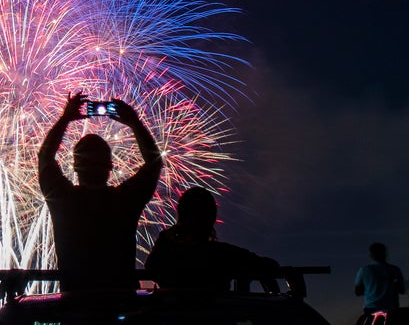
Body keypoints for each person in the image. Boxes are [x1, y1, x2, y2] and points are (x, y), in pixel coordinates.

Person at [37, 92, 162, 291]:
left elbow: (44, 156)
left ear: (75, 167)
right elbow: (155, 162)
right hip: (120, 305)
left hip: (74, 306)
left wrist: (65, 118)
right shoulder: (124, 201)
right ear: (110, 167)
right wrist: (134, 122)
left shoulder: (64, 201)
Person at [144, 186, 281, 291]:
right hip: (216, 323)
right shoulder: (224, 254)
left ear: (181, 215)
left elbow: (150, 270)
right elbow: (270, 265)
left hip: (172, 323)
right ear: (211, 218)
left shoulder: (165, 254)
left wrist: (167, 238)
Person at [354, 241, 405, 313]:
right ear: (384, 253)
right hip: (391, 308)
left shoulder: (364, 270)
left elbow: (357, 292)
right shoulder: (394, 270)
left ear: (371, 255)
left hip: (371, 308)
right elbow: (402, 290)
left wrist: (370, 288)